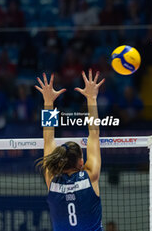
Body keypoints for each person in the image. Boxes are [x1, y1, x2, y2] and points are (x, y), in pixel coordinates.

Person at [35, 70, 105, 230]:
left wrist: (48, 102)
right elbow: (94, 134)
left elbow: (48, 139)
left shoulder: (51, 179)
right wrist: (91, 98)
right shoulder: (90, 176)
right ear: (81, 162)